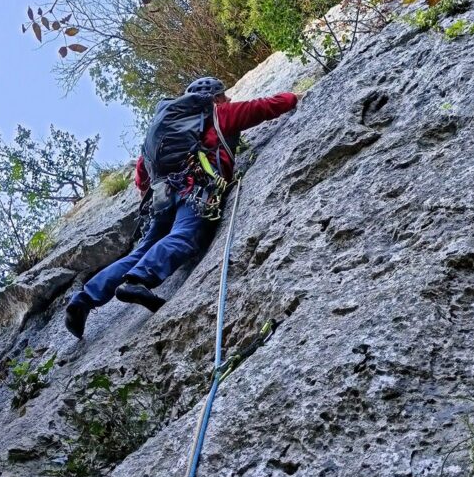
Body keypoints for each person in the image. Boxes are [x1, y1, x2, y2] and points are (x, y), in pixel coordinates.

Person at [65, 77, 299, 338]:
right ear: (215, 98)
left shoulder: (164, 129)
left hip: (162, 199)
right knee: (184, 236)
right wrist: (295, 97)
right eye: (225, 95)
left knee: (140, 250)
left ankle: (84, 299)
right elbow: (264, 106)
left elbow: (142, 176)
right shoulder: (217, 114)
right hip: (195, 189)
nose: (229, 100)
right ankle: (137, 281)